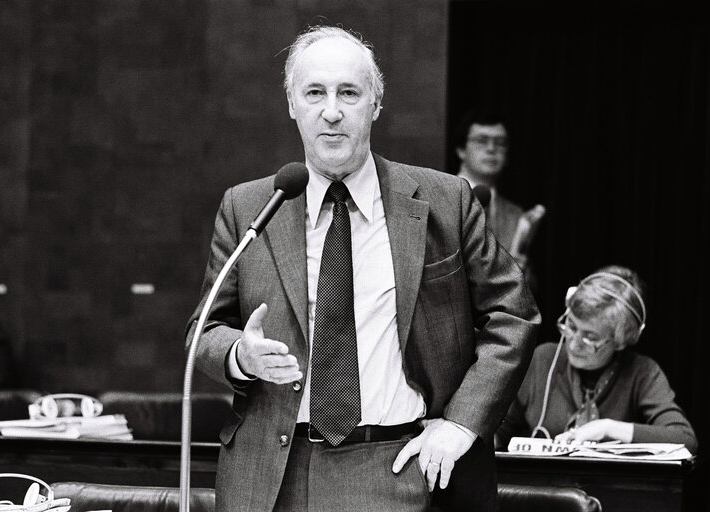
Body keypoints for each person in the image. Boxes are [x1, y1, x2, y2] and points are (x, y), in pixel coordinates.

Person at [186, 25, 540, 512]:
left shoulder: (444, 201)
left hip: (402, 466)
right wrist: (240, 356)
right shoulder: (248, 206)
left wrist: (462, 423)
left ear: (375, 104)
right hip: (271, 477)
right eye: (315, 93)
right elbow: (203, 333)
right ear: (292, 105)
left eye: (349, 92)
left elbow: (513, 314)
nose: (332, 111)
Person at [496, 265, 698, 454]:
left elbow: (685, 439)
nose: (573, 344)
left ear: (622, 341)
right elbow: (498, 434)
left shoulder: (642, 372)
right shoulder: (543, 359)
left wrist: (608, 428)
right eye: (571, 326)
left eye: (590, 337)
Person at [454, 109, 544, 287]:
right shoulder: (437, 199)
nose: (491, 149)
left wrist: (523, 274)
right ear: (461, 150)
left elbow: (529, 287)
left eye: (500, 143)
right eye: (482, 140)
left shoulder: (517, 214)